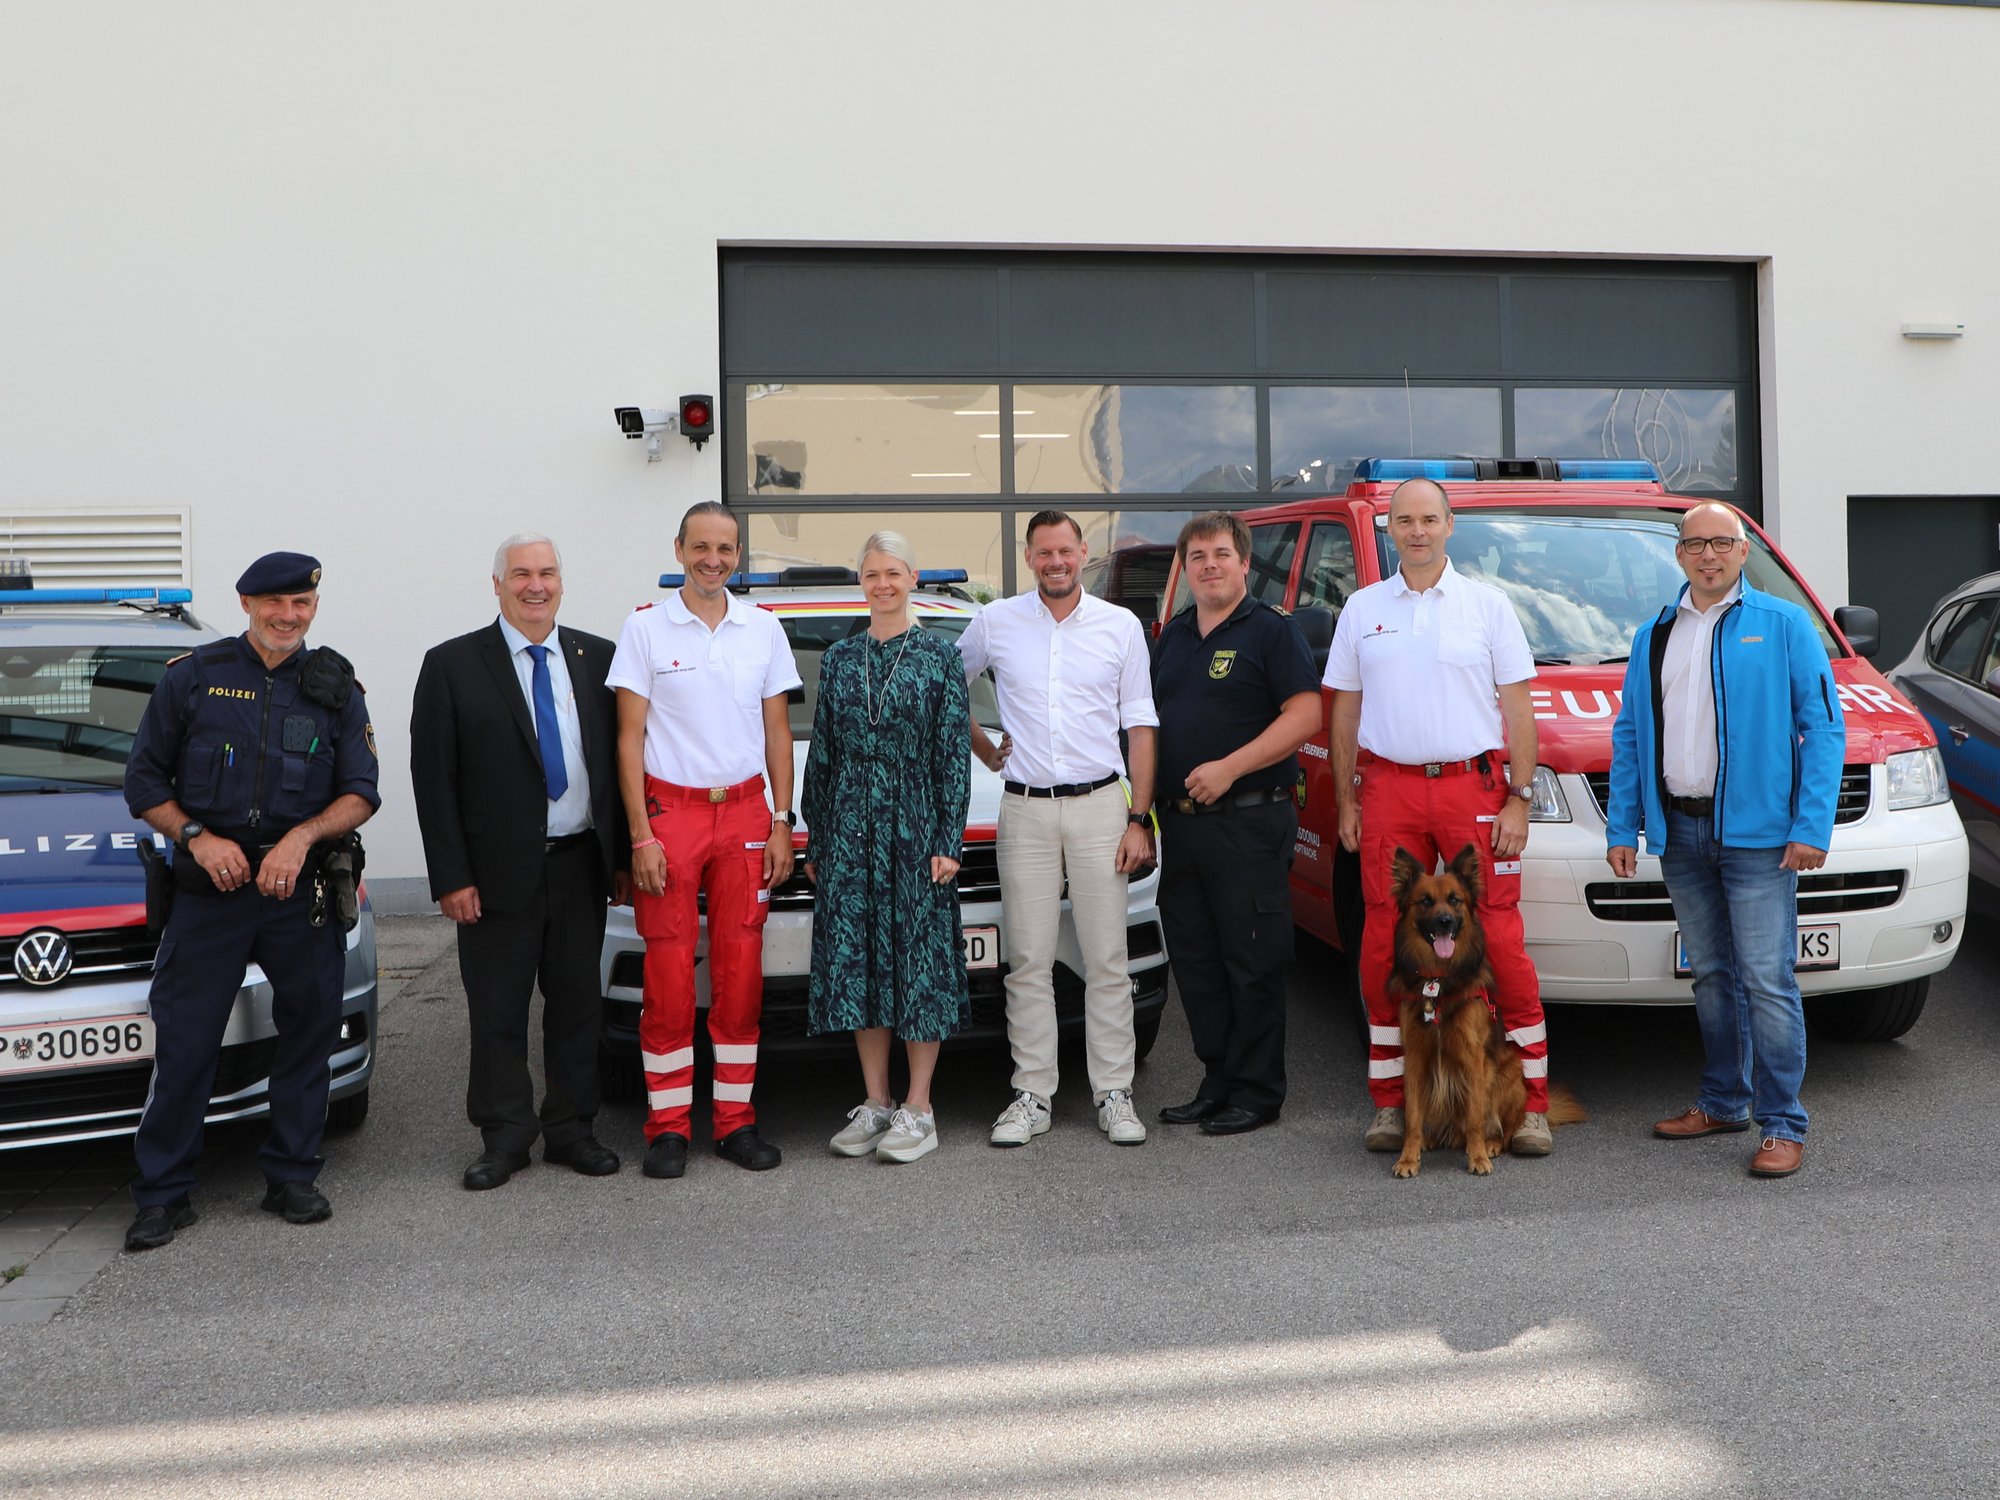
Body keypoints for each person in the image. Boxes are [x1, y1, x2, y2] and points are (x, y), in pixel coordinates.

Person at [121, 551, 379, 1251]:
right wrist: (197, 837)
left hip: (300, 892)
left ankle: (292, 1175)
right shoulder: (195, 680)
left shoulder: (334, 687)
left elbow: (361, 790)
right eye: (275, 604)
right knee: (186, 1043)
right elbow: (144, 782)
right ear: (245, 603)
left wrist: (303, 837)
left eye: (301, 604)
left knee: (308, 1036)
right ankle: (164, 1195)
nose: (288, 617)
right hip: (211, 893)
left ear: (313, 608)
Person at [1606, 502, 1842, 1178]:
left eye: (1723, 543)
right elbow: (1629, 737)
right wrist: (1626, 826)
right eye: (1696, 544)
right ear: (1678, 555)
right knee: (1711, 976)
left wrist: (1810, 825)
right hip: (1679, 830)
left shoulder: (1785, 624)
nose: (1709, 554)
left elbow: (1823, 730)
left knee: (1767, 980)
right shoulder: (1655, 632)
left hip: (1761, 840)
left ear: (1743, 553)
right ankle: (1722, 1100)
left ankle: (1782, 1124)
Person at [1325, 476, 1554, 1156]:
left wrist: (1519, 794)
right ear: (1386, 529)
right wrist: (1344, 798)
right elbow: (1344, 709)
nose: (1416, 530)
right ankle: (1393, 1105)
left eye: (1428, 518)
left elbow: (1519, 708)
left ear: (1450, 524)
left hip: (1472, 790)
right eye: (1404, 520)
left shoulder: (1487, 606)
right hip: (1389, 788)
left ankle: (1533, 1105)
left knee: (1502, 942)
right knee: (1380, 943)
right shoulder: (1363, 609)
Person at [410, 534, 629, 1192]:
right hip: (493, 874)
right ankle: (505, 1136)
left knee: (576, 1006)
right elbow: (434, 780)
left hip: (580, 865)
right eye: (523, 574)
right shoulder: (451, 664)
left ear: (562, 581)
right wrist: (451, 877)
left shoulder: (599, 659)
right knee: (498, 1011)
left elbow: (618, 768)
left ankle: (571, 1129)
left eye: (548, 573)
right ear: (498, 584)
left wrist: (618, 859)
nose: (537, 585)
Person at [609, 502, 801, 1179]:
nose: (712, 558)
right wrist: (640, 835)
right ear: (679, 548)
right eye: (700, 546)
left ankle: (735, 1122)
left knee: (740, 973)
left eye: (725, 547)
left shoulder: (764, 630)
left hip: (746, 814)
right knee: (666, 975)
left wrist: (783, 821)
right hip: (673, 816)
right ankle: (666, 1129)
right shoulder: (645, 628)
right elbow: (627, 738)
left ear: (739, 554)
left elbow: (778, 734)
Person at [957, 510, 1159, 1149]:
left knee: (1106, 956)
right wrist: (987, 751)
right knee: (1028, 960)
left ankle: (1114, 1093)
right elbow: (943, 690)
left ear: (1082, 552)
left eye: (1065, 551)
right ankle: (1032, 1093)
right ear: (1029, 556)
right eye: (1044, 553)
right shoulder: (994, 622)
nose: (1056, 562)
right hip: (1025, 809)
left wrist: (1139, 817)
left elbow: (1141, 727)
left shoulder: (1119, 626)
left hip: (1103, 806)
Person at [1150, 512, 1321, 1136]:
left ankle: (1257, 1091)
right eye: (1197, 556)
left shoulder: (1271, 632)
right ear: (1186, 568)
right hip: (1183, 827)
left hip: (1248, 823)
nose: (1210, 565)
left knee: (1252, 961)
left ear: (1245, 563)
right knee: (1197, 962)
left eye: (1221, 553)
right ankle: (1218, 1079)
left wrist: (1229, 767)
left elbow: (1305, 715)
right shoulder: (1172, 636)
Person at [803, 531, 970, 1163]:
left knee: (919, 963)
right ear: (862, 582)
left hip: (915, 827)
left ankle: (919, 1106)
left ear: (912, 578)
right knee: (861, 964)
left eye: (893, 572)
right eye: (872, 573)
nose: (882, 583)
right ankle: (875, 1102)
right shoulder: (841, 658)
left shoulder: (938, 657)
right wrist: (819, 834)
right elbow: (823, 753)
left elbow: (953, 752)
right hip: (849, 829)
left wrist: (948, 837)